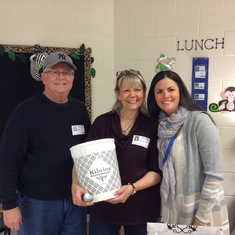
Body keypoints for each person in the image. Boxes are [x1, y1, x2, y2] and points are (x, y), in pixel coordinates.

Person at [0, 52, 91, 235]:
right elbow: (8, 160)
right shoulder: (25, 113)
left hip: (75, 202)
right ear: (43, 77)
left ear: (73, 78)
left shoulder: (80, 110)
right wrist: (9, 204)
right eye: (54, 72)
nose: (61, 77)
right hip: (37, 205)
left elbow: (86, 152)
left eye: (66, 73)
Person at [72, 69, 162, 235]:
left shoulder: (151, 126)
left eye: (137, 90)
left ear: (144, 92)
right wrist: (75, 185)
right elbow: (82, 159)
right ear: (118, 94)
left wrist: (132, 188)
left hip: (141, 209)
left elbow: (156, 172)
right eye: (126, 90)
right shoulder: (102, 122)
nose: (132, 95)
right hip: (104, 206)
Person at [147, 70, 229, 235]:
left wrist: (201, 218)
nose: (165, 96)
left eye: (171, 89)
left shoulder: (200, 121)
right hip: (172, 208)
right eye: (159, 91)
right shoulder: (159, 125)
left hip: (201, 210)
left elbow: (214, 175)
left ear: (180, 91)